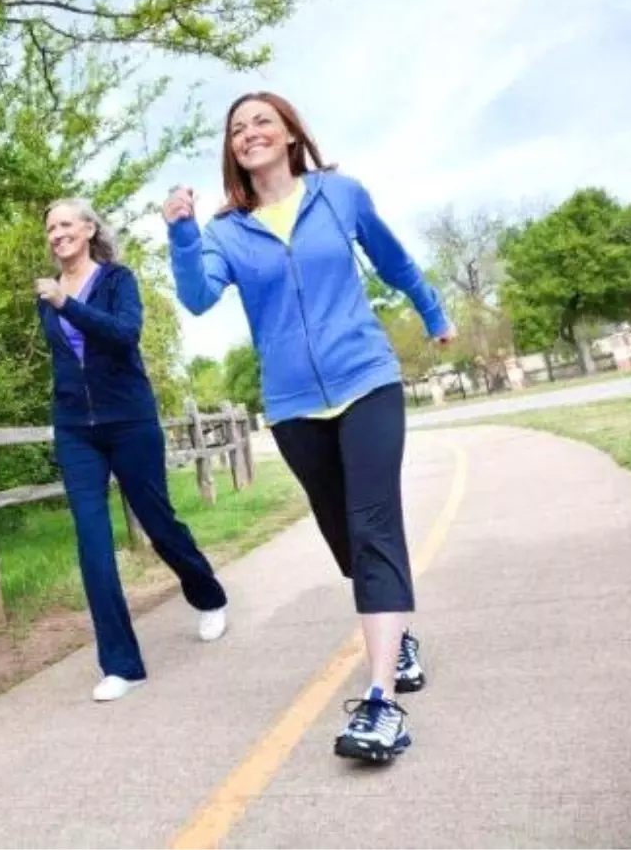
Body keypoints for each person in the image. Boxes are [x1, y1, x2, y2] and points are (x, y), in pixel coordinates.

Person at [164, 92, 455, 762]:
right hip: (293, 402)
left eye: (262, 120)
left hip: (366, 378)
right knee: (340, 529)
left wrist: (433, 311)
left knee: (374, 521)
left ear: (292, 132)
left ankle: (382, 700)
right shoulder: (226, 232)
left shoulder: (340, 194)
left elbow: (393, 259)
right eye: (237, 129)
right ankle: (397, 632)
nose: (250, 133)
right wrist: (182, 232)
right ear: (230, 151)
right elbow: (199, 297)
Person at [35, 198, 229, 702]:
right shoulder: (48, 294)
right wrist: (63, 408)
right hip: (77, 430)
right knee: (92, 542)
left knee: (158, 523)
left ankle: (207, 595)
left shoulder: (118, 280)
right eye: (50, 228)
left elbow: (125, 336)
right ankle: (121, 664)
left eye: (65, 224)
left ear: (89, 228)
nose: (57, 233)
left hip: (130, 422)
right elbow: (65, 361)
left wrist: (66, 304)